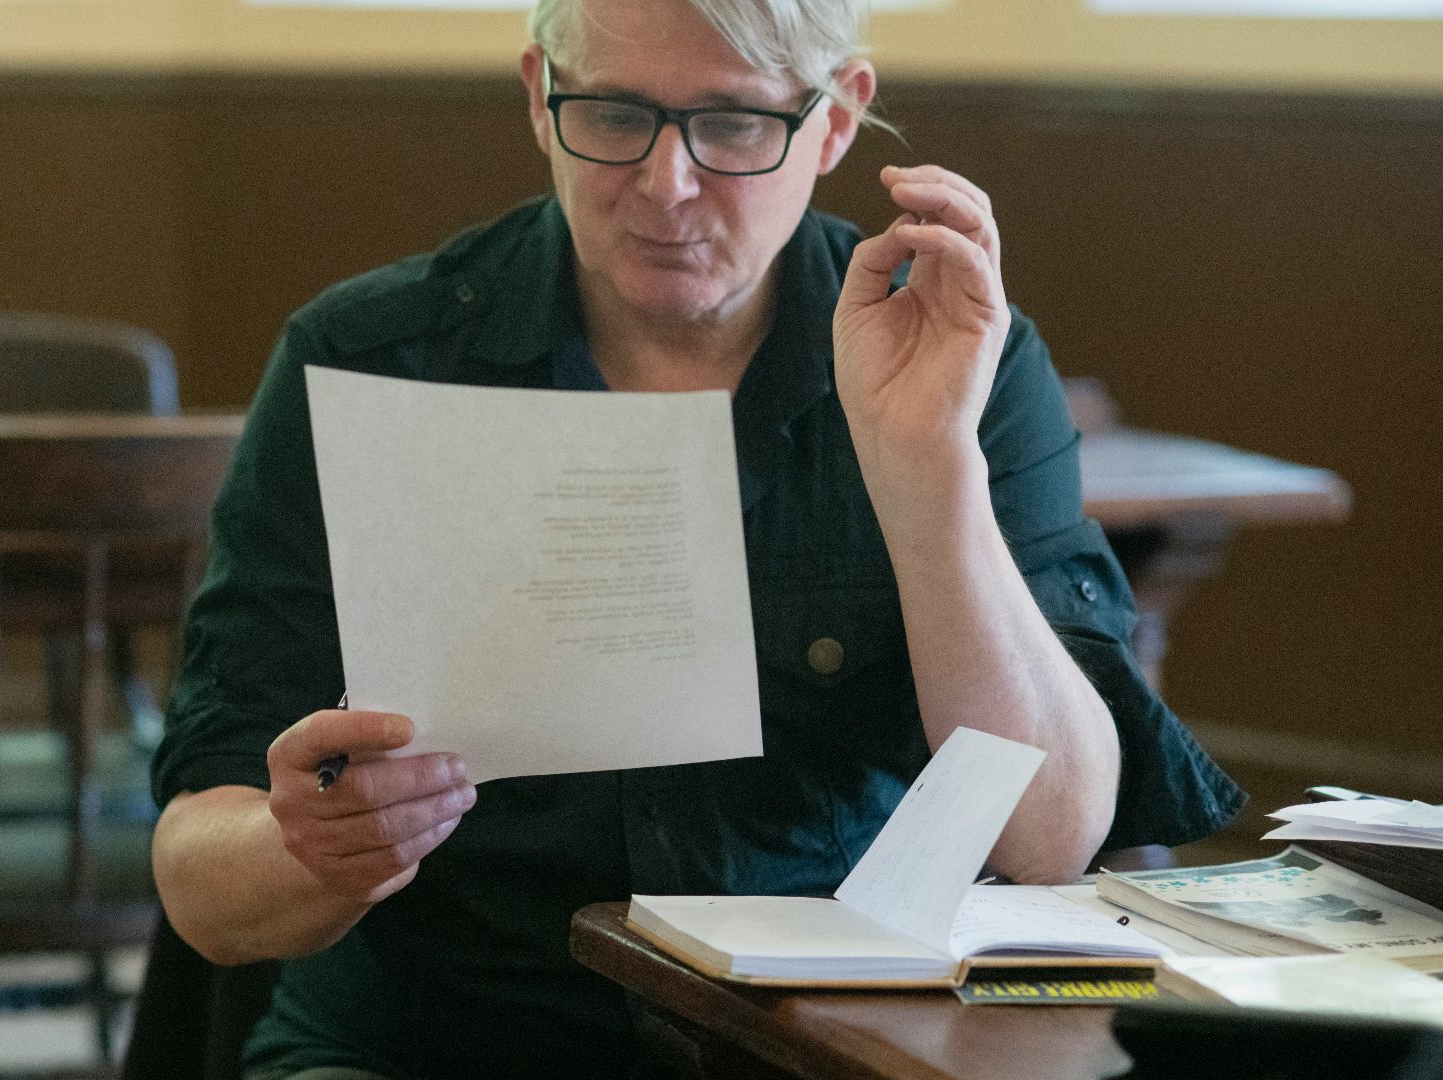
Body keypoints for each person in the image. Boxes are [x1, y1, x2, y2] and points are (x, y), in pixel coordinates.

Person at [150, 0, 1245, 1076]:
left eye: (731, 126)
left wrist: (928, 472)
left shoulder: (964, 358)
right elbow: (200, 885)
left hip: (823, 1046)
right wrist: (312, 849)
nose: (666, 186)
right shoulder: (372, 359)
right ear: (540, 97)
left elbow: (1052, 835)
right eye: (616, 115)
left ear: (836, 121)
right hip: (445, 1041)